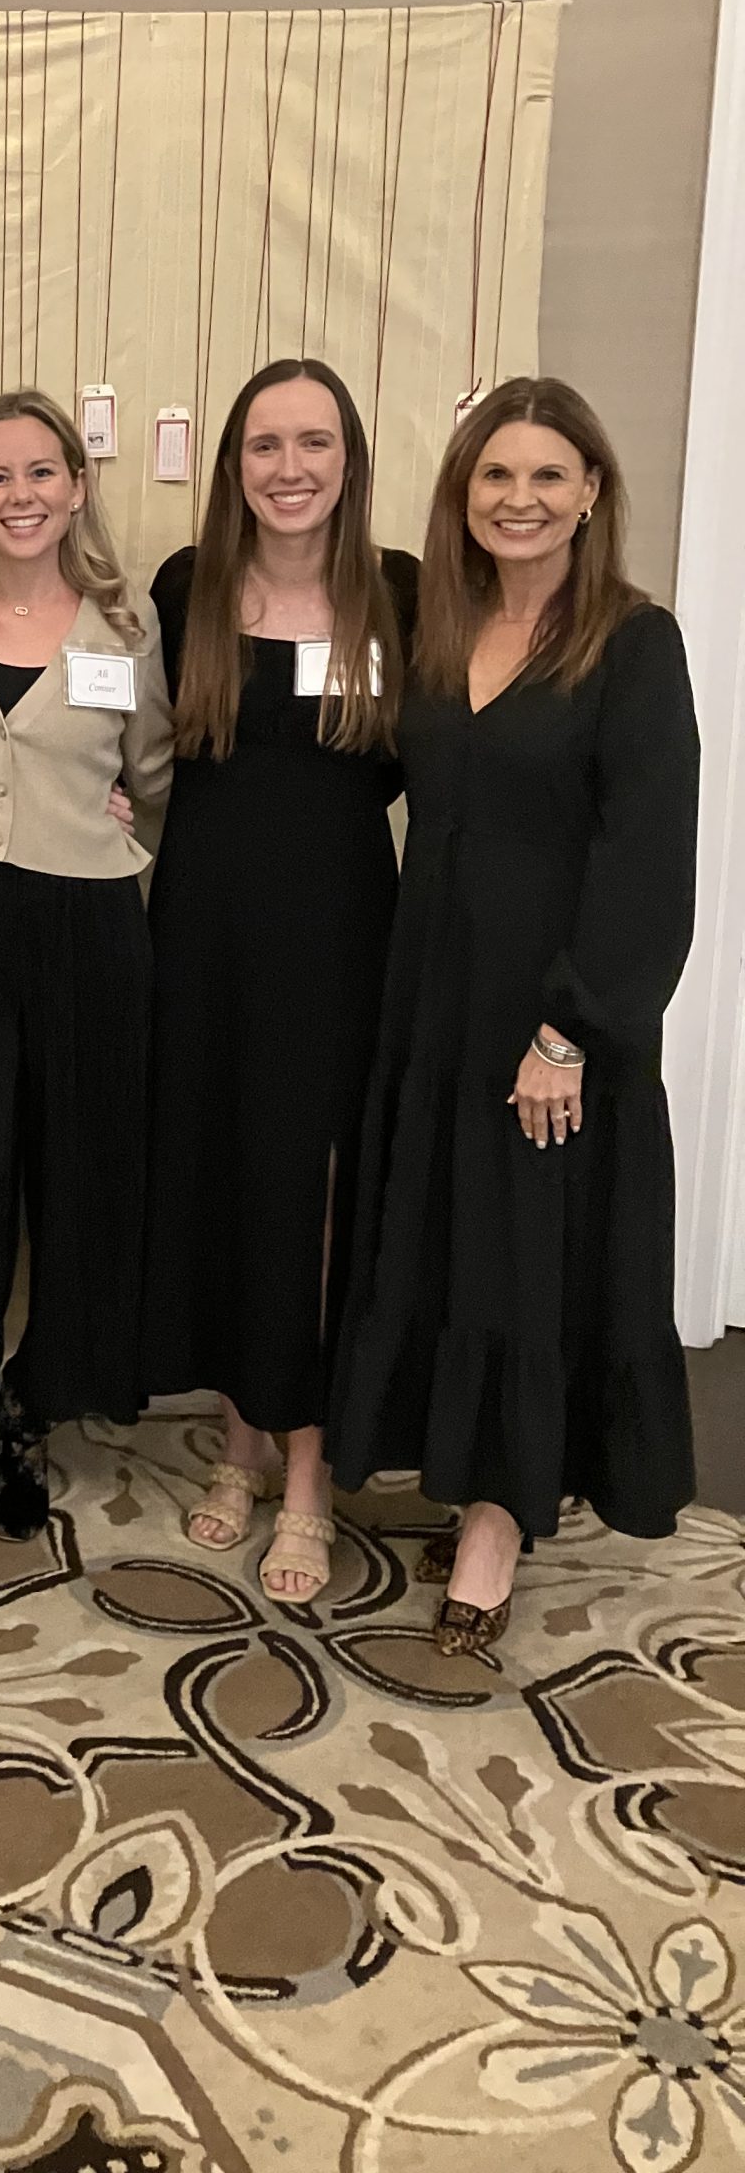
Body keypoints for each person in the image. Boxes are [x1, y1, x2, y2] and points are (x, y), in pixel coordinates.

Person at [328, 377, 698, 1654]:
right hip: (435, 994)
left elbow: (648, 856)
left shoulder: (634, 645)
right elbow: (370, 770)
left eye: (547, 475)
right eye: (496, 475)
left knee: (527, 1257)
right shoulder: (436, 624)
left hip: (552, 1012)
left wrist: (569, 1030)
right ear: (463, 492)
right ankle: (466, 1473)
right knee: (453, 1241)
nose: (519, 499)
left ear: (591, 491)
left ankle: (497, 1523)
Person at [142, 359, 416, 1604]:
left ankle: (307, 1469)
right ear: (233, 464)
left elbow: (421, 761)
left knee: (316, 1198)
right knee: (223, 1173)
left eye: (314, 443)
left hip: (339, 929)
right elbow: (146, 743)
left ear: (349, 460)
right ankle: (241, 1436)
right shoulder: (187, 586)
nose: (289, 468)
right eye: (265, 445)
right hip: (205, 927)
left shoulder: (401, 593)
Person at [0, 389, 171, 1538]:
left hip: (92, 923)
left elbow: (153, 771)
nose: (21, 495)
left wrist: (110, 816)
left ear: (77, 486)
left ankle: (36, 1401)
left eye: (41, 472)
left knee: (80, 1179)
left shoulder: (125, 624)